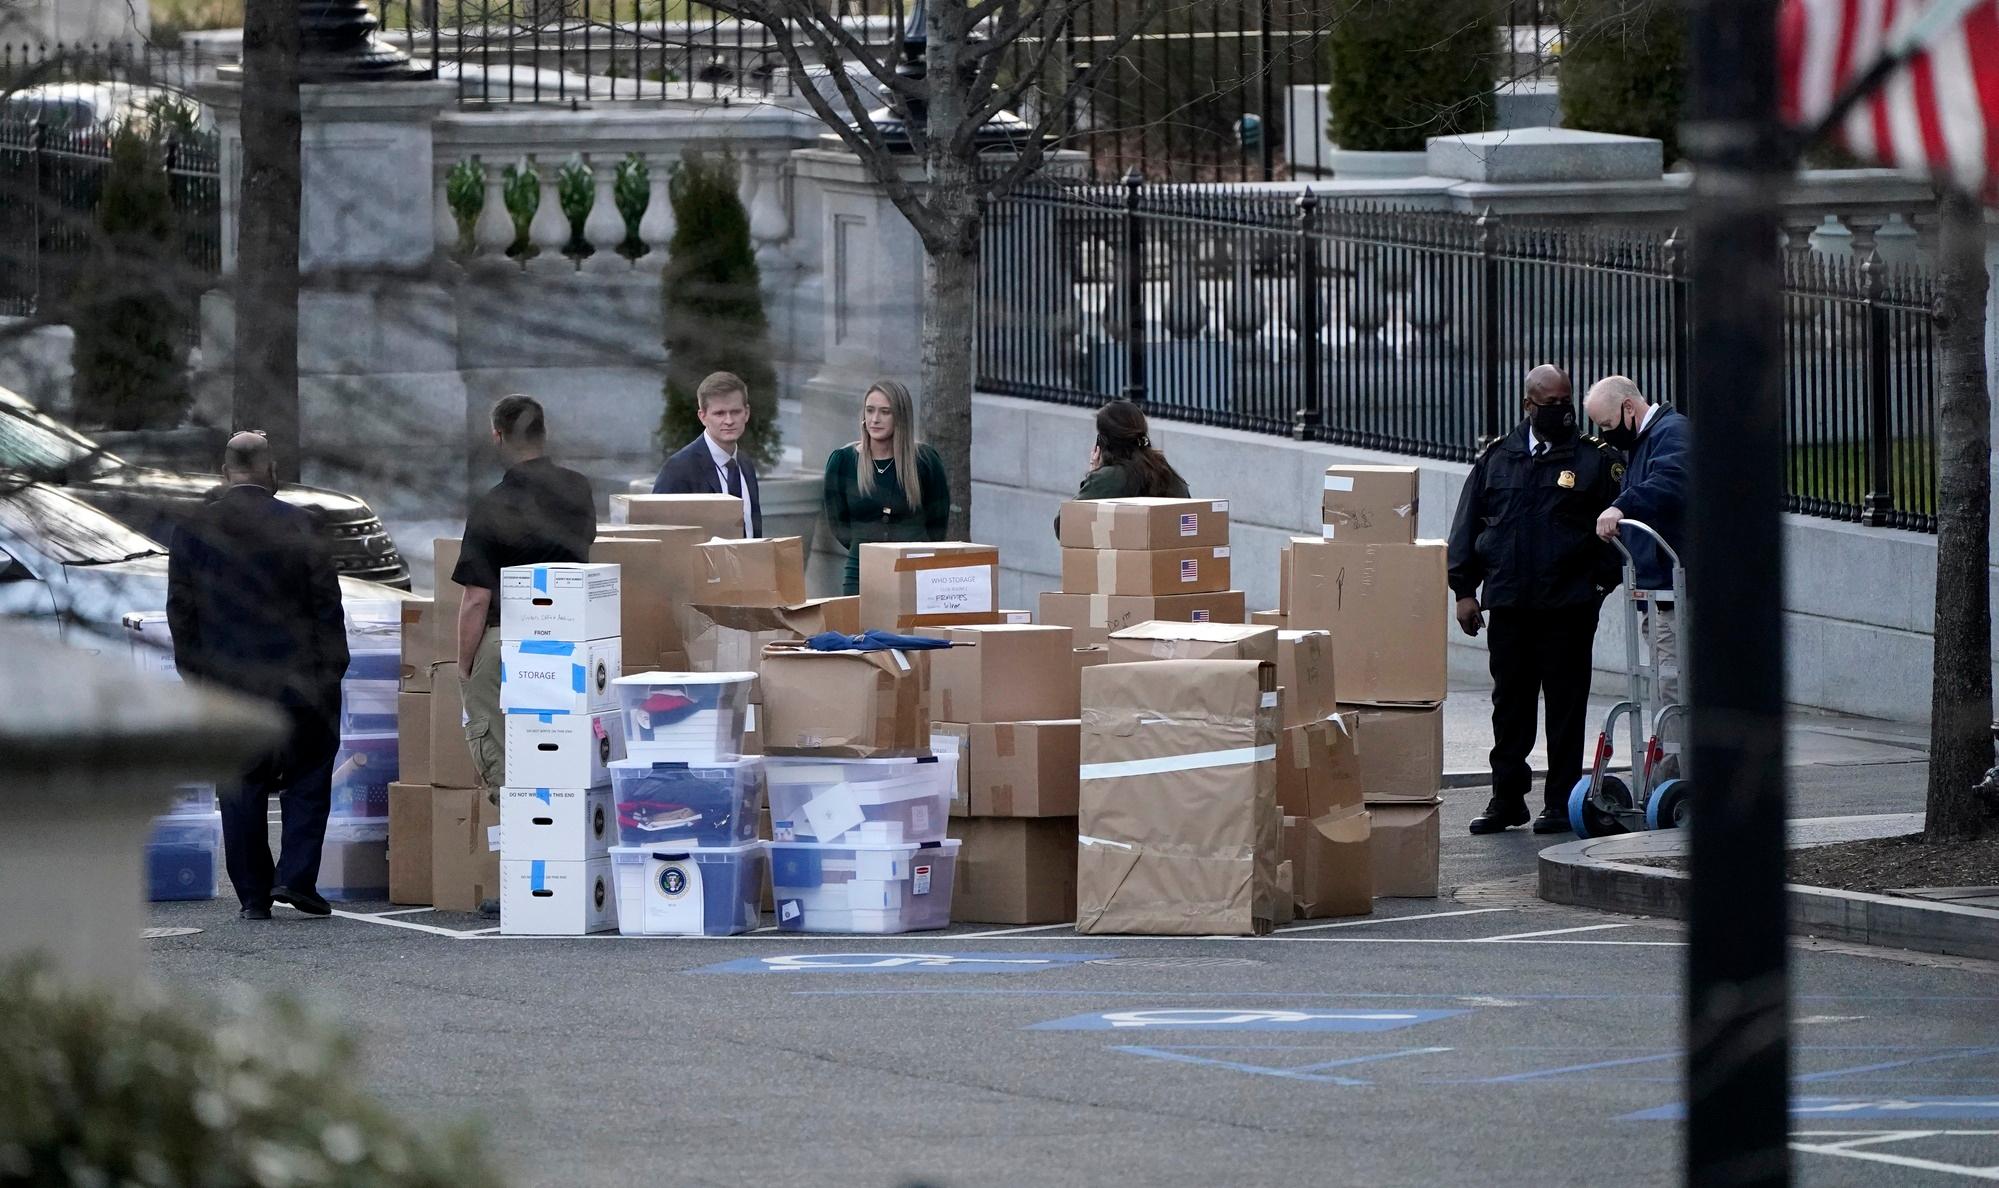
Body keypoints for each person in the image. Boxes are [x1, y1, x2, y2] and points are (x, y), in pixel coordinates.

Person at [167, 431, 350, 920]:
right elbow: (326, 608)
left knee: (241, 784)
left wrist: (197, 679)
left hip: (229, 681)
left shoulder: (192, 530)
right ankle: (296, 877)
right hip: (300, 679)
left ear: (224, 473)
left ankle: (253, 896)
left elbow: (181, 616)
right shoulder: (305, 526)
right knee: (309, 773)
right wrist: (332, 673)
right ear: (272, 472)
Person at [1447, 365, 1623, 836]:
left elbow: (1617, 529)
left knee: (1566, 708)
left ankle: (1561, 802)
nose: (1562, 412)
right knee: (1510, 707)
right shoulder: (1497, 459)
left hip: (1567, 607)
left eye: (1567, 402)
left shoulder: (1594, 460)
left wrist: (1599, 588)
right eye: (1551, 405)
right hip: (1509, 604)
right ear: (1529, 406)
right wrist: (1464, 591)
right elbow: (1468, 526)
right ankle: (1507, 799)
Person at [453, 395, 596, 805]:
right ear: (544, 433)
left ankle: (516, 811)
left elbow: (477, 599)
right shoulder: (579, 489)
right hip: (572, 634)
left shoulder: (491, 506)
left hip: (510, 640)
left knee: (492, 729)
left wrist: (464, 666)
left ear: (497, 437)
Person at [1585, 375, 1688, 703]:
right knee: (1665, 687)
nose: (1606, 433)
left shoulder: (1671, 432)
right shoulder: (1645, 442)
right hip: (1659, 590)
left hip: (1674, 591)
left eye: (1608, 423)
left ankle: (1674, 757)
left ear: (1629, 406)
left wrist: (1620, 506)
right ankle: (1669, 755)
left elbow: (1671, 482)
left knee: (1673, 692)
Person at [821, 380, 950, 597]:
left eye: (885, 412)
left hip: (915, 569)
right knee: (860, 629)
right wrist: (867, 547)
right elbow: (838, 523)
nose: (875, 419)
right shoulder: (843, 461)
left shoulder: (925, 461)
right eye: (870, 410)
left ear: (900, 417)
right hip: (862, 571)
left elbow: (938, 520)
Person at [1050, 399, 1190, 536]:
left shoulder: (1107, 479)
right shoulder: (1166, 473)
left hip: (1117, 559)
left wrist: (1093, 475)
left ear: (1103, 441)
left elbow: (1063, 527)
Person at [652, 370, 762, 538]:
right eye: (719, 413)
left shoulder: (745, 465)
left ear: (746, 413)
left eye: (735, 412)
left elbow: (753, 532)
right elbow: (660, 535)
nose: (729, 421)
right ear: (702, 416)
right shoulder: (679, 469)